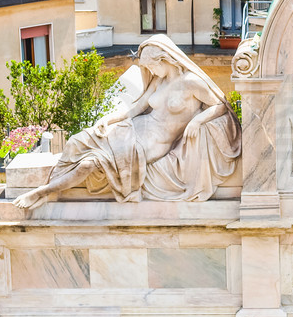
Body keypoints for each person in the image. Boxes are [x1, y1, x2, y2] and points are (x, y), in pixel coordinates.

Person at [14, 35, 241, 209]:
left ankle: (44, 192)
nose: (149, 71)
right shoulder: (159, 81)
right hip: (132, 130)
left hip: (149, 145)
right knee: (77, 140)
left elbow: (221, 105)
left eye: (151, 66)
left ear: (165, 59)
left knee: (91, 163)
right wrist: (107, 120)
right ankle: (54, 184)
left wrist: (197, 120)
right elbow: (136, 108)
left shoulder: (192, 82)